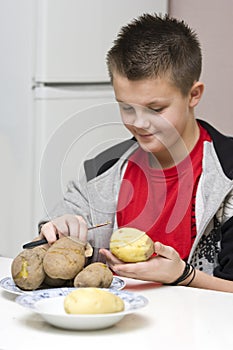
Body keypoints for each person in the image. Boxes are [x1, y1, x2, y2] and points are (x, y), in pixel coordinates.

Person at [39, 13, 233, 292]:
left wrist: (184, 276)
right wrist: (56, 232)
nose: (139, 124)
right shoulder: (101, 171)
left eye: (155, 109)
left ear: (193, 95)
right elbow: (49, 254)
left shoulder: (227, 173)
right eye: (127, 107)